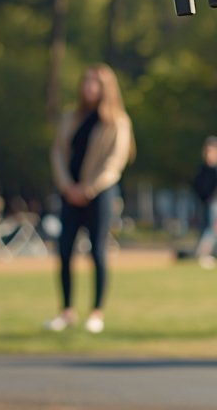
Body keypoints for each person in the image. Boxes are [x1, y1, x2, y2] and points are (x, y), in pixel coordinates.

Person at [45, 64, 134, 334]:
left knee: (97, 252)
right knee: (64, 250)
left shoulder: (117, 122)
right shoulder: (71, 117)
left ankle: (96, 312)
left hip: (99, 195)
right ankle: (66, 311)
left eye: (94, 83)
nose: (89, 88)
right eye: (86, 82)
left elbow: (114, 162)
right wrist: (67, 186)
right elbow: (58, 153)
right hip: (70, 192)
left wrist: (89, 188)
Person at [192, 135, 217, 269]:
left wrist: (215, 198)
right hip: (205, 202)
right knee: (207, 228)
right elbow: (197, 184)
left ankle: (203, 253)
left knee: (214, 229)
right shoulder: (203, 167)